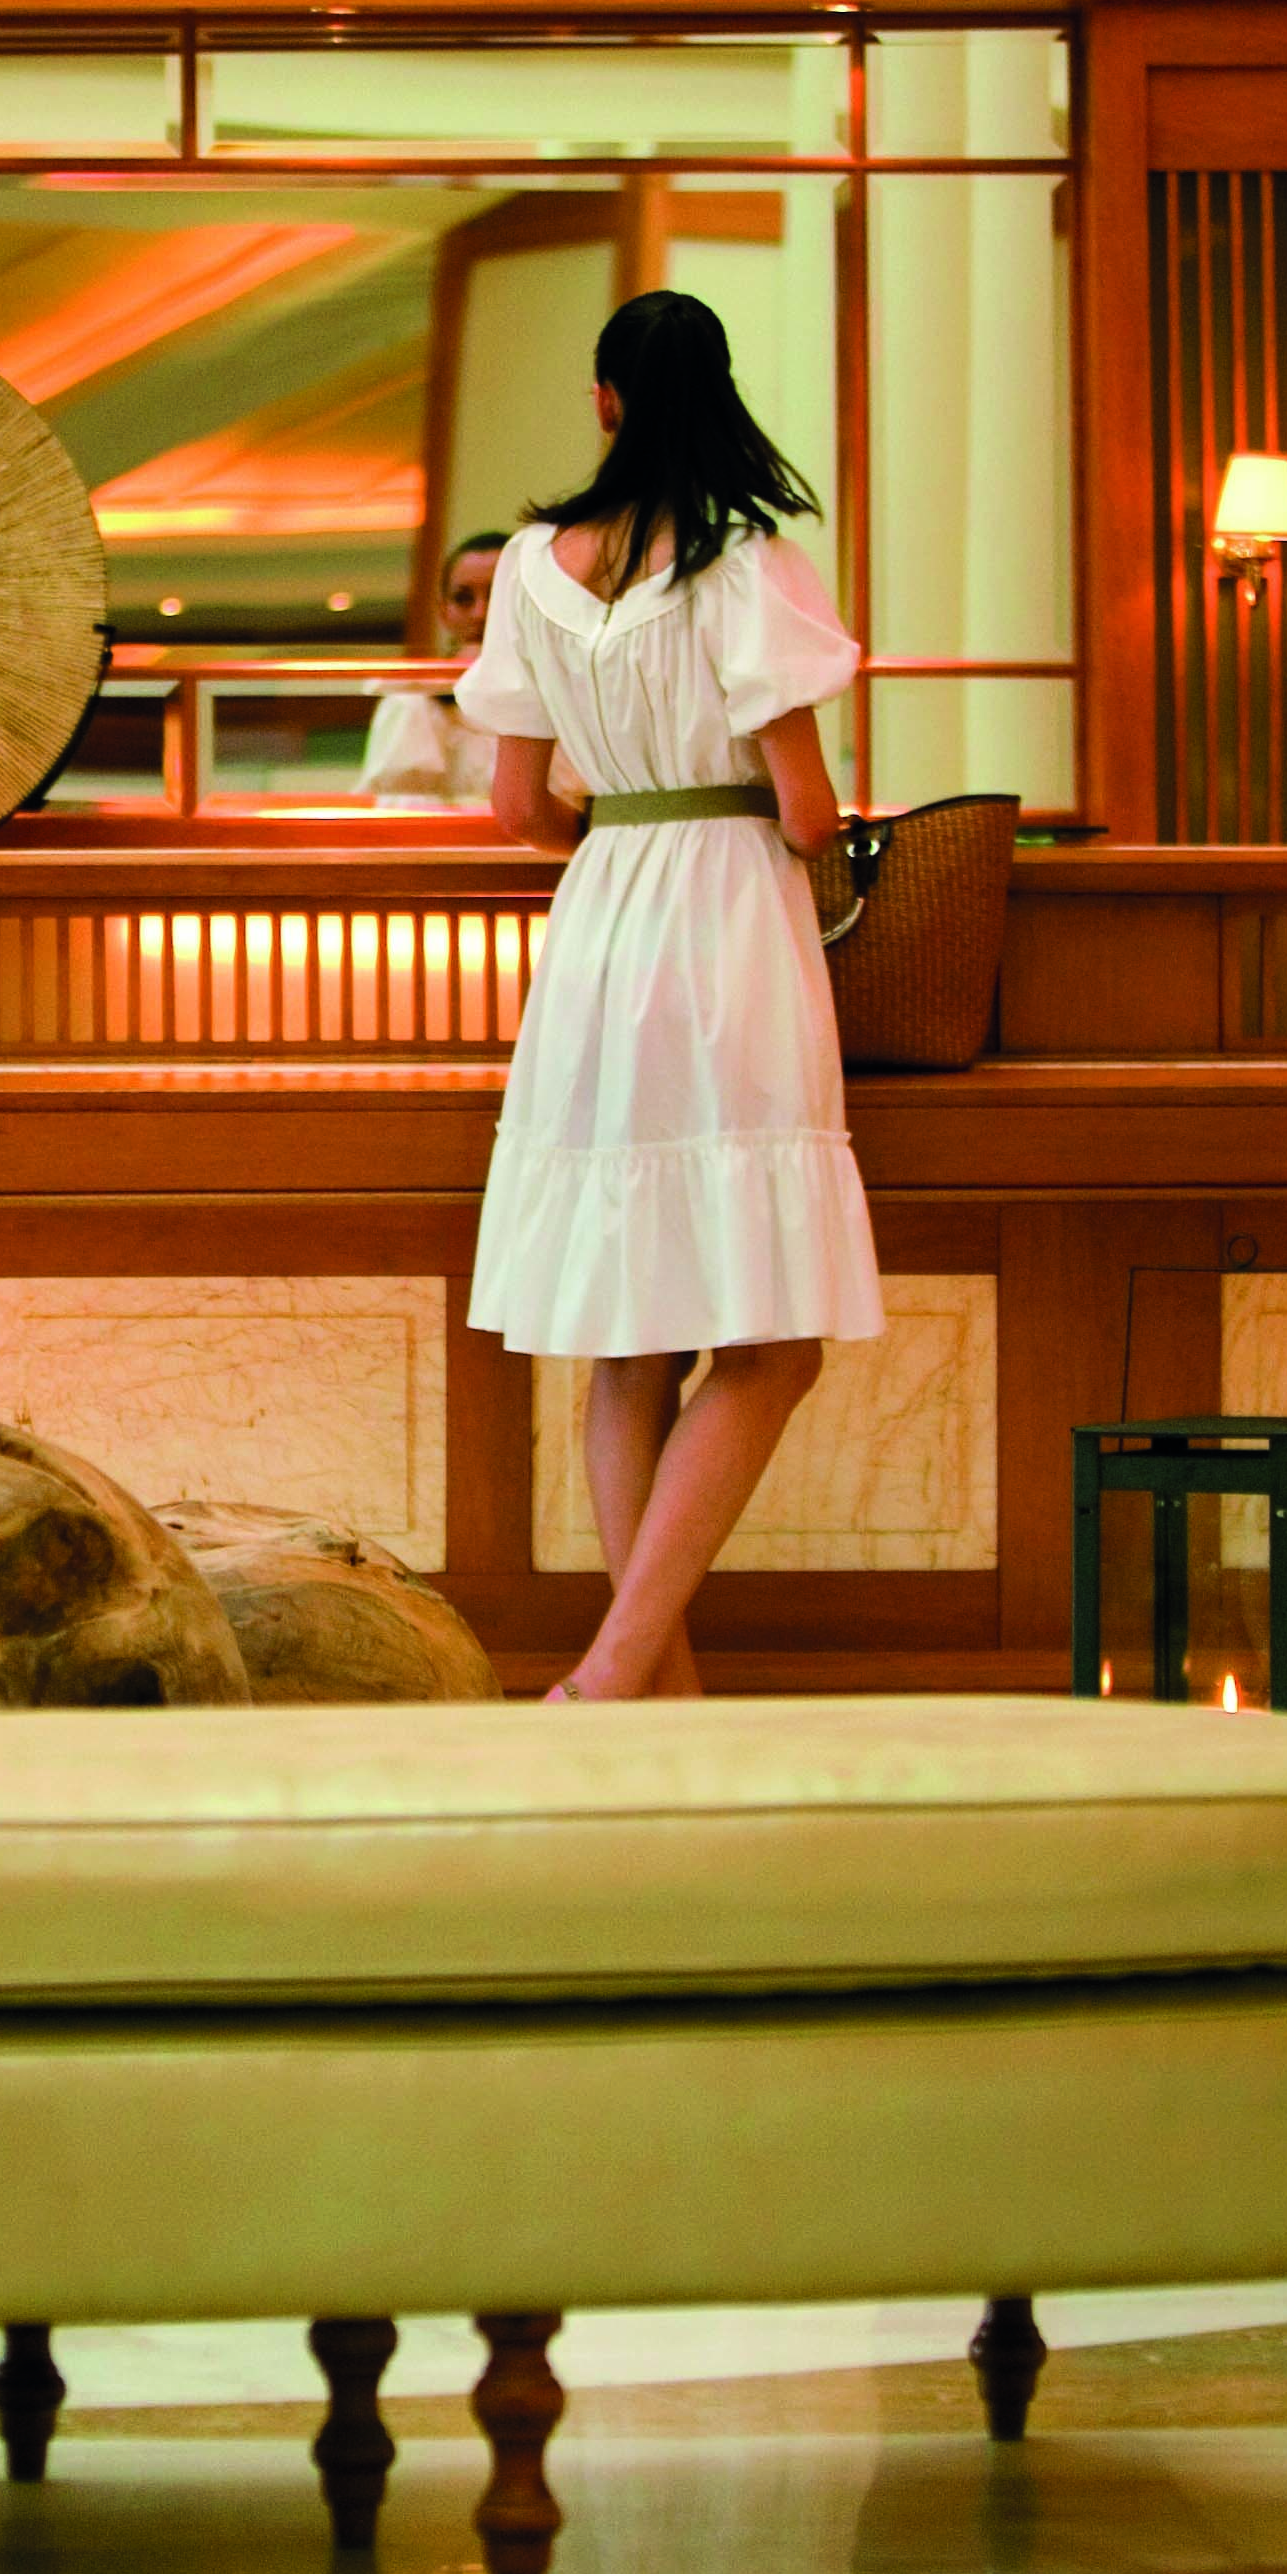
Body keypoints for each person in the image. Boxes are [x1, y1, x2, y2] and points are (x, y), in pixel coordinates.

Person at [451, 289, 884, 1701]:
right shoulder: (745, 563)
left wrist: (620, 829)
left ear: (605, 401)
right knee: (773, 1342)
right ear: (719, 395)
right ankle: (620, 1669)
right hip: (728, 928)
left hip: (599, 921)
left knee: (632, 1339)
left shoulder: (526, 565)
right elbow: (809, 812)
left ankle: (649, 1686)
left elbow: (520, 803)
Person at [358, 533, 511, 808]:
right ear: (444, 612)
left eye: (498, 595)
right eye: (464, 599)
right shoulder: (414, 701)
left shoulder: (562, 692)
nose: (480, 613)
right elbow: (404, 821)